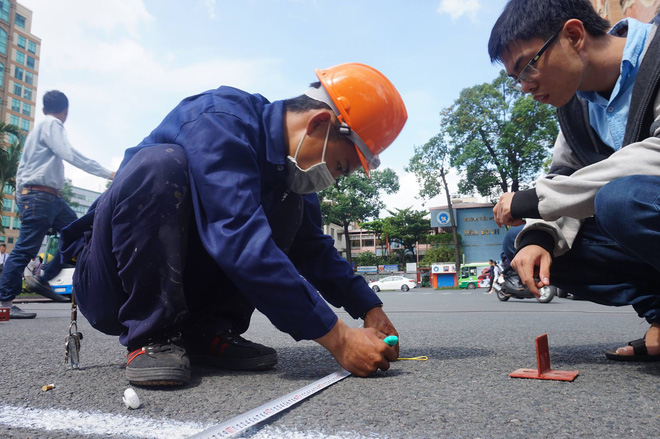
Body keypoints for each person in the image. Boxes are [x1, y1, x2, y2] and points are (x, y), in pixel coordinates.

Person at [58, 63, 407, 386]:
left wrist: (368, 307)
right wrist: (340, 339)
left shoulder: (291, 175)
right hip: (111, 284)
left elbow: (314, 250)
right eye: (340, 166)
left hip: (189, 289)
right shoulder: (219, 121)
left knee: (290, 205)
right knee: (161, 165)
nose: (332, 179)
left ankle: (208, 331)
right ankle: (152, 335)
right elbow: (238, 238)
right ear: (318, 123)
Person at [489, 0, 660, 361]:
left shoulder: (656, 56)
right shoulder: (575, 105)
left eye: (527, 67)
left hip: (636, 200)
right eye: (515, 78)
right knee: (523, 245)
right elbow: (565, 175)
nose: (523, 87)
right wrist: (537, 236)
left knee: (622, 201)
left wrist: (530, 199)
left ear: (573, 35)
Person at [0, 90, 115, 319]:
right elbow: (69, 153)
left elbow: (25, 171)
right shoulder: (52, 124)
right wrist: (108, 173)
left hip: (47, 197)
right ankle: (4, 302)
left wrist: (22, 198)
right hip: (40, 197)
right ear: (66, 111)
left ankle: (42, 280)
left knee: (80, 232)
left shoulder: (40, 130)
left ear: (44, 108)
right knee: (25, 248)